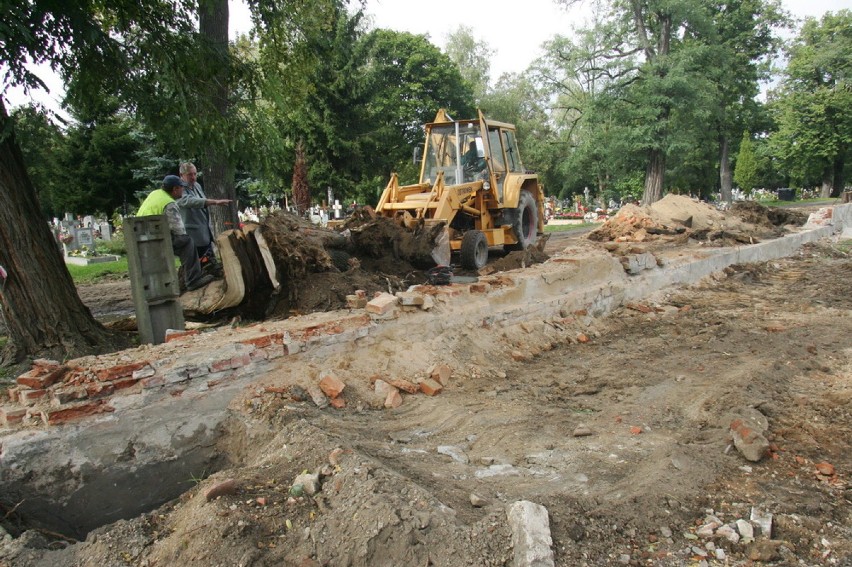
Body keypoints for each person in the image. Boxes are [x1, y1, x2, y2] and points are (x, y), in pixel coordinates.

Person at [137, 175, 214, 292]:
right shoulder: (169, 204)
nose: (183, 190)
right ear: (175, 189)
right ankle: (193, 280)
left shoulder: (155, 193)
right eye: (181, 188)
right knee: (187, 242)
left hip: (142, 236)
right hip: (157, 238)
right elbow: (178, 229)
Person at [177, 162, 231, 275]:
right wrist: (215, 202)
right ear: (181, 175)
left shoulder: (197, 186)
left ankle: (211, 272)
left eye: (194, 174)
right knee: (195, 260)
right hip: (192, 232)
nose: (193, 177)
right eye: (189, 175)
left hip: (204, 229)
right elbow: (191, 201)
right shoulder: (179, 189)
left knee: (209, 258)